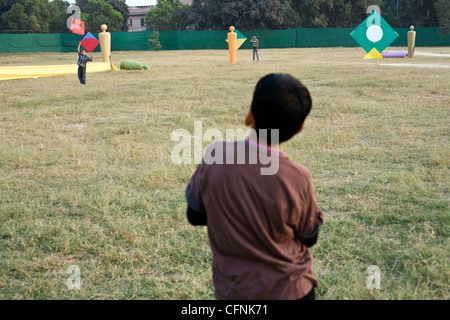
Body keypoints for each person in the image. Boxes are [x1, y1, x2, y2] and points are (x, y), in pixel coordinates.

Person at [185, 73, 324, 300]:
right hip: (292, 290)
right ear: (300, 128)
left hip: (234, 291)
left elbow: (195, 215)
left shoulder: (215, 154)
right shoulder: (299, 177)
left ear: (249, 114)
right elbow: (309, 236)